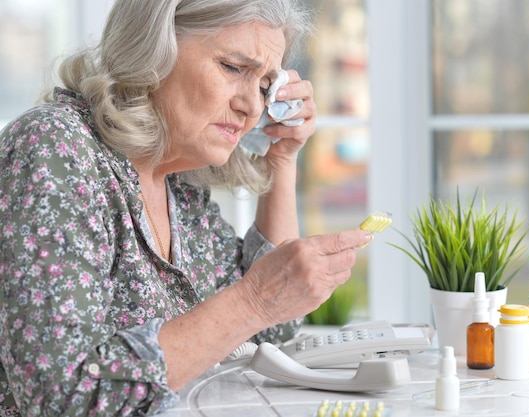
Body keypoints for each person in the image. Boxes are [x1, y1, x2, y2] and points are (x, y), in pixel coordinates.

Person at [0, 0, 373, 415]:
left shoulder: (178, 183)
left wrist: (282, 159)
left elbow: (273, 324)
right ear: (153, 49)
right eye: (233, 67)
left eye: (266, 86)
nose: (252, 106)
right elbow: (59, 393)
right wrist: (253, 301)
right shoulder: (55, 147)